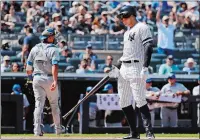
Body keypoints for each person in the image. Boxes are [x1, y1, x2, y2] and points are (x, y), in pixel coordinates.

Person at [117, 5, 155, 139]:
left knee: (139, 100)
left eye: (125, 17)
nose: (124, 20)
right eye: (122, 18)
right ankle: (134, 133)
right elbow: (126, 53)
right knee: (123, 101)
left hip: (136, 66)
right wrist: (116, 67)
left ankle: (149, 132)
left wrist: (145, 67)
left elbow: (149, 46)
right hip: (124, 67)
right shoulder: (126, 32)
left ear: (132, 15)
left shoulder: (142, 27)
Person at [26, 28, 62, 136]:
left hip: (37, 78)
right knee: (54, 104)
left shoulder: (34, 48)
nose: (54, 38)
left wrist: (30, 78)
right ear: (49, 37)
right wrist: (55, 81)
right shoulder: (54, 49)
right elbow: (55, 66)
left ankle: (36, 130)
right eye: (53, 36)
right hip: (49, 78)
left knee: (39, 105)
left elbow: (28, 67)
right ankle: (58, 129)